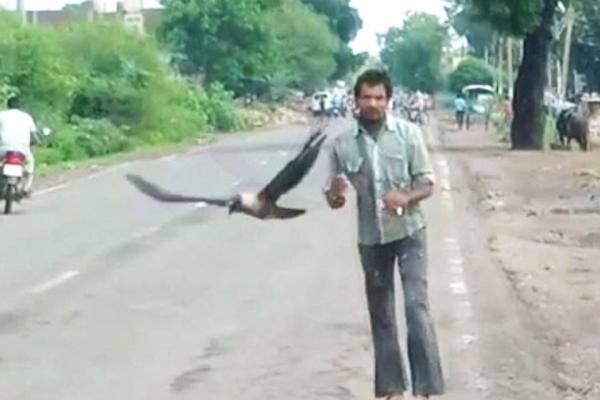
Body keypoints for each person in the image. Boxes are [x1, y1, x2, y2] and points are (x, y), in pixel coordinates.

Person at [324, 69, 444, 400]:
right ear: (356, 100)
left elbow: (428, 184)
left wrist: (405, 197)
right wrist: (335, 194)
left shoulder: (408, 134)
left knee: (416, 307)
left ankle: (426, 389)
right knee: (381, 314)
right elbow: (334, 199)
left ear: (389, 100)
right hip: (370, 239)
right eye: (367, 97)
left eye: (379, 97)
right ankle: (391, 389)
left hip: (409, 233)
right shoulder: (341, 145)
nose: (373, 103)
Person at [0, 96, 40, 196]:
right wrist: (37, 142)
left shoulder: (2, 115)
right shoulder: (27, 117)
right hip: (23, 150)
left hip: (4, 149)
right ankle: (26, 188)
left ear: (7, 105)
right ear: (20, 106)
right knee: (30, 166)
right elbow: (34, 136)